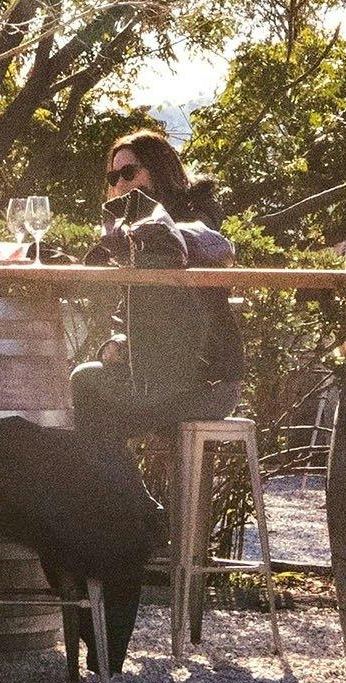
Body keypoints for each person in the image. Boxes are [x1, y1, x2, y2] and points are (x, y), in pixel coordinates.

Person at [69, 128, 241, 448]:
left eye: (129, 172)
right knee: (87, 384)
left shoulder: (192, 216)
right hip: (158, 378)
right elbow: (137, 317)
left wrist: (160, 234)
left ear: (159, 172)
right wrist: (118, 342)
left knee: (90, 394)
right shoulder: (132, 238)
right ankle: (123, 494)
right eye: (113, 177)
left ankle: (125, 497)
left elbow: (214, 243)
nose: (120, 183)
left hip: (206, 384)